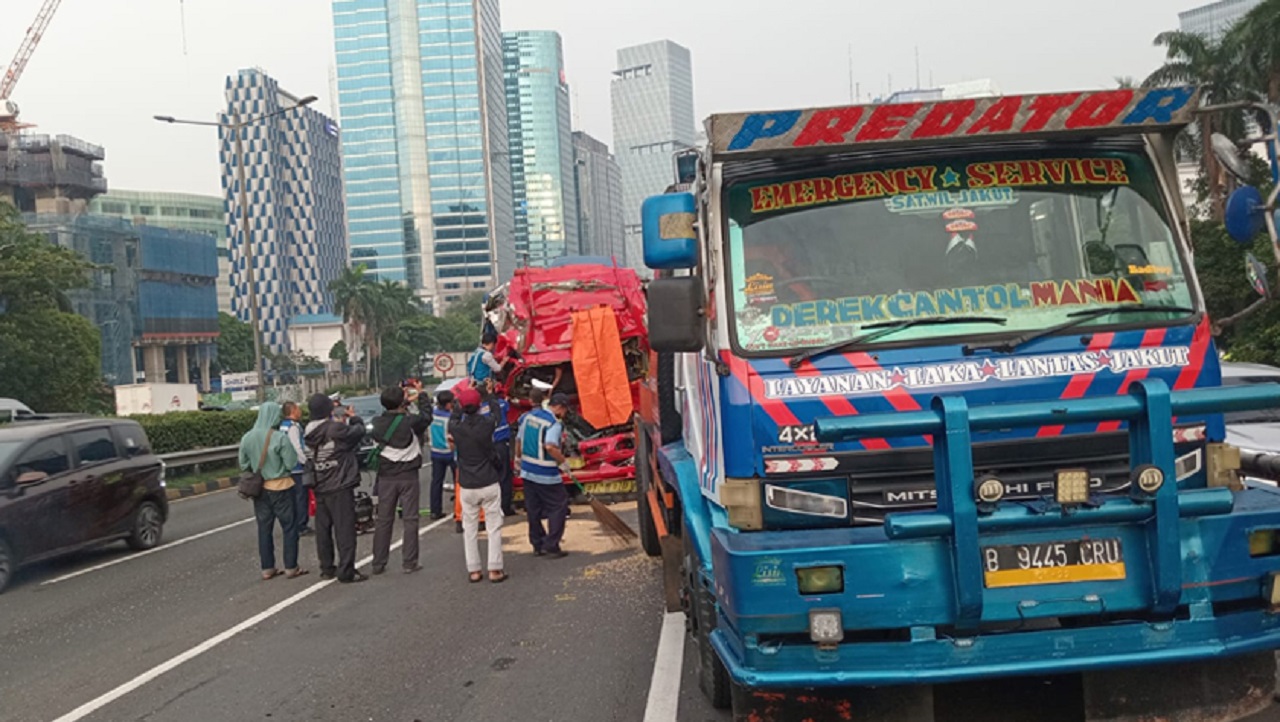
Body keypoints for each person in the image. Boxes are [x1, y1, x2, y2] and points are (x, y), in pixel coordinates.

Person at [304, 393, 369, 583]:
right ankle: (346, 570)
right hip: (339, 484)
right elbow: (358, 432)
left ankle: (327, 568)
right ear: (329, 409)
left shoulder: (307, 431)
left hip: (319, 485)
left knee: (323, 530)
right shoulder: (335, 429)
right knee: (345, 530)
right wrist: (353, 417)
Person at [238, 402, 306, 580]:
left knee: (264, 528)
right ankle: (291, 566)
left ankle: (267, 568)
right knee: (289, 527)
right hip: (281, 486)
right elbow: (291, 463)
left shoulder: (247, 437)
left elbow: (243, 464)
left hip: (259, 490)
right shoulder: (279, 437)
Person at [369, 386, 432, 575]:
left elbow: (388, 417)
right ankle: (409, 562)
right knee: (410, 519)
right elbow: (427, 415)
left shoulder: (377, 423)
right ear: (402, 403)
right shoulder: (411, 422)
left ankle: (378, 563)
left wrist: (397, 402)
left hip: (386, 476)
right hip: (408, 475)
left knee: (383, 520)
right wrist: (421, 394)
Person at [449, 385, 507, 583]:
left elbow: (453, 418)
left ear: (462, 407)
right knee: (493, 527)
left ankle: (474, 570)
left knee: (470, 529)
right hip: (488, 480)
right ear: (480, 404)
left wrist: (459, 404)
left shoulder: (456, 428)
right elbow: (497, 413)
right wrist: (490, 394)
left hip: (467, 483)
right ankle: (495, 569)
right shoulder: (487, 424)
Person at [519, 391, 572, 559]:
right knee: (558, 506)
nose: (563, 415)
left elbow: (519, 441)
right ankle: (552, 545)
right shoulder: (553, 424)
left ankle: (537, 543)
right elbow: (550, 446)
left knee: (533, 509)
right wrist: (563, 462)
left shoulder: (527, 417)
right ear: (559, 407)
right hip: (546, 473)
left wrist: (518, 459)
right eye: (564, 411)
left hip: (527, 471)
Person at [480, 385, 515, 516]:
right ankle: (505, 507)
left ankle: (491, 508)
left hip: (486, 447)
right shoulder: (501, 404)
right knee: (505, 475)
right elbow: (507, 407)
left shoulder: (478, 410)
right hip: (501, 445)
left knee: (490, 478)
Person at [279, 401, 311, 537]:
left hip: (287, 468)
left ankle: (293, 524)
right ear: (292, 410)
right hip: (297, 468)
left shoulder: (282, 426)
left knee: (291, 498)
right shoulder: (293, 427)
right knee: (300, 497)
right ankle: (301, 525)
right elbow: (296, 447)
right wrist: (306, 461)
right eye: (298, 409)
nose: (300, 411)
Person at [427, 389, 457, 520]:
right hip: (450, 453)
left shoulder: (431, 414)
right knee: (459, 482)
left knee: (436, 482)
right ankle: (459, 509)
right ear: (448, 404)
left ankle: (435, 510)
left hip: (435, 451)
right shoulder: (450, 418)